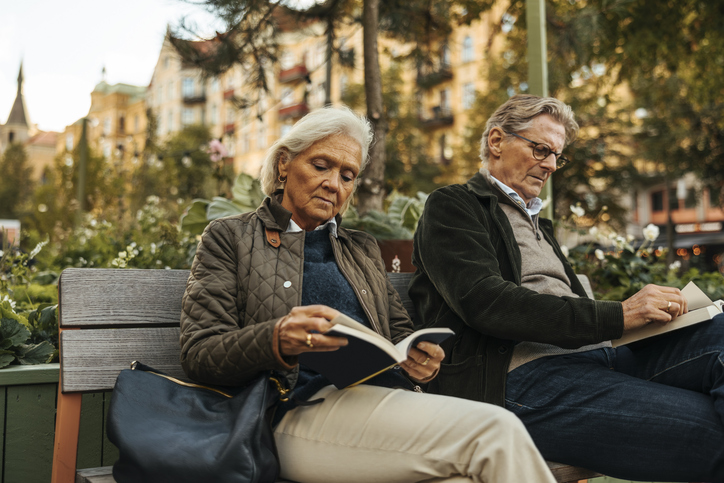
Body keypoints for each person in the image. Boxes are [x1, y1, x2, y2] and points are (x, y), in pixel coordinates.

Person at [180, 106, 557, 483]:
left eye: (347, 175)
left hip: (380, 407)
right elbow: (200, 353)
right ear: (283, 165)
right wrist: (276, 339)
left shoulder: (359, 249)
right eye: (321, 165)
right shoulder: (231, 237)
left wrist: (418, 360)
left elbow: (397, 334)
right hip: (290, 414)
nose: (334, 184)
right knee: (495, 430)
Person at [409, 94, 724, 482]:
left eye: (557, 155)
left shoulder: (540, 223)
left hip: (597, 358)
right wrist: (621, 313)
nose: (551, 165)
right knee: (711, 433)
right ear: (496, 141)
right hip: (521, 380)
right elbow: (486, 302)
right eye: (541, 149)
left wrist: (653, 314)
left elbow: (572, 305)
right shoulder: (455, 206)